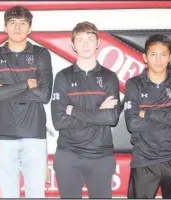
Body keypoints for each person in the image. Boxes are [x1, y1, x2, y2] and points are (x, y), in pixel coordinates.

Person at [0, 5, 53, 198]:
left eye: (23, 23)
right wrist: (25, 85)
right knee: (8, 195)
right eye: (12, 23)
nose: (17, 27)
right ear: (5, 28)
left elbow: (44, 95)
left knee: (36, 194)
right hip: (4, 138)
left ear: (29, 29)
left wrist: (2, 89)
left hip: (34, 137)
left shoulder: (41, 54)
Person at [50, 21, 120, 199]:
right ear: (73, 45)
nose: (86, 44)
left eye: (90, 39)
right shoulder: (63, 77)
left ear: (98, 43)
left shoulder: (109, 77)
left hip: (101, 157)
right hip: (68, 155)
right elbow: (58, 121)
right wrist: (99, 113)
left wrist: (73, 110)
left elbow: (111, 118)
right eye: (80, 40)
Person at [124, 34, 171, 199]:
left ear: (170, 57)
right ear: (145, 57)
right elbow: (132, 123)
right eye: (153, 54)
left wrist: (147, 114)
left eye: (163, 55)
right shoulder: (133, 84)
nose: (158, 60)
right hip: (143, 161)